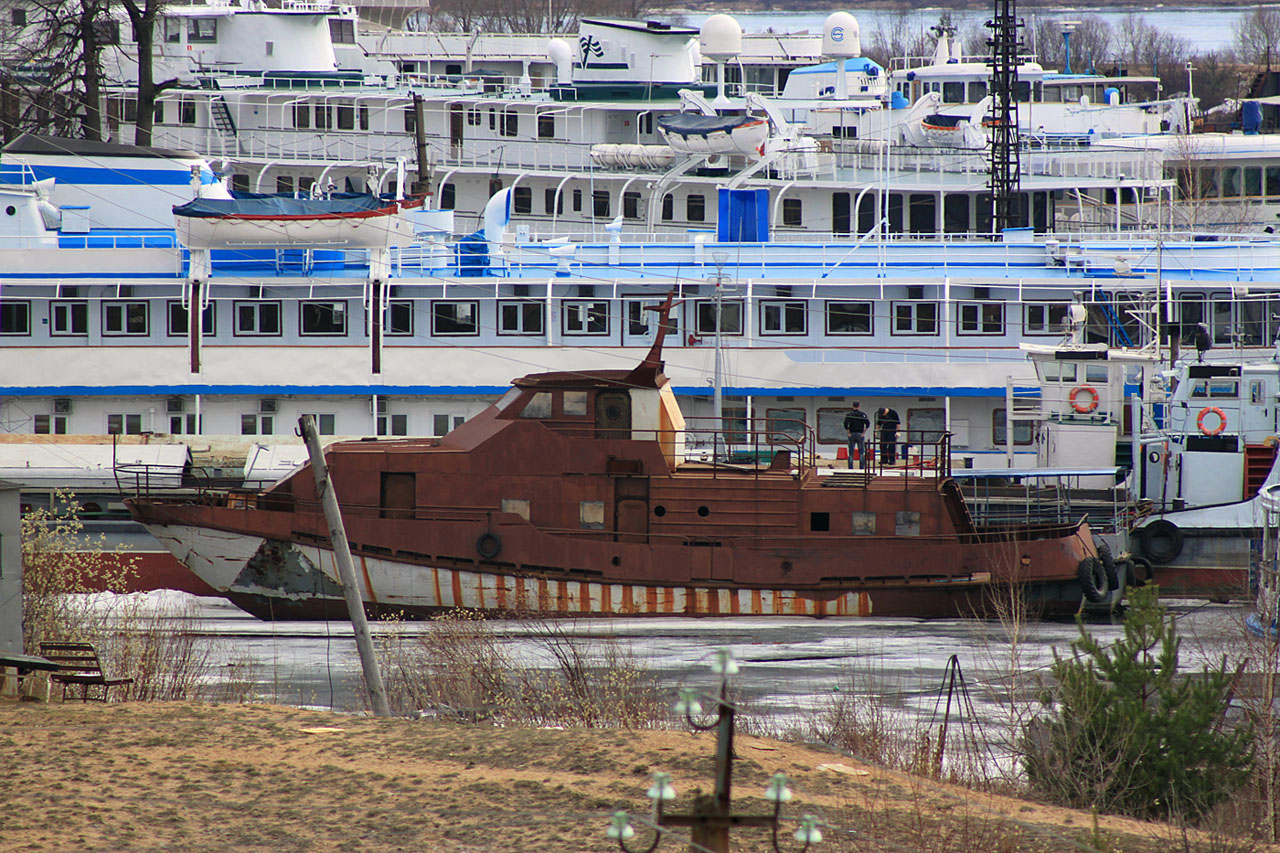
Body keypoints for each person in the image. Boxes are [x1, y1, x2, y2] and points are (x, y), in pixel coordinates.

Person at [843, 403, 869, 469]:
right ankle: (861, 467)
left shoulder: (849, 414)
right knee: (861, 452)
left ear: (852, 406)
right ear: (859, 406)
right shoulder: (862, 414)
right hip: (860, 434)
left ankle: (850, 467)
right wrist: (863, 433)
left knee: (851, 452)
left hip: (852, 434)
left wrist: (848, 432)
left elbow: (845, 424)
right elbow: (867, 424)